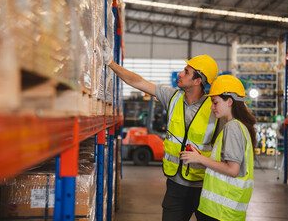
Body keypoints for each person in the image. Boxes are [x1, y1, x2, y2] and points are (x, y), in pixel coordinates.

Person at [103, 40, 223, 221]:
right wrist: (110, 63)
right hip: (175, 186)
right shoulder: (172, 97)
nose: (180, 74)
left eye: (186, 72)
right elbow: (138, 82)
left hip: (205, 188)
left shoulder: (215, 108)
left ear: (198, 81)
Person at [180, 75, 257, 221]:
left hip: (220, 212)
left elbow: (232, 169)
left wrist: (200, 158)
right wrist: (200, 156)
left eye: (215, 102)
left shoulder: (233, 127)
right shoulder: (240, 127)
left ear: (229, 101)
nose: (211, 107)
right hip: (224, 212)